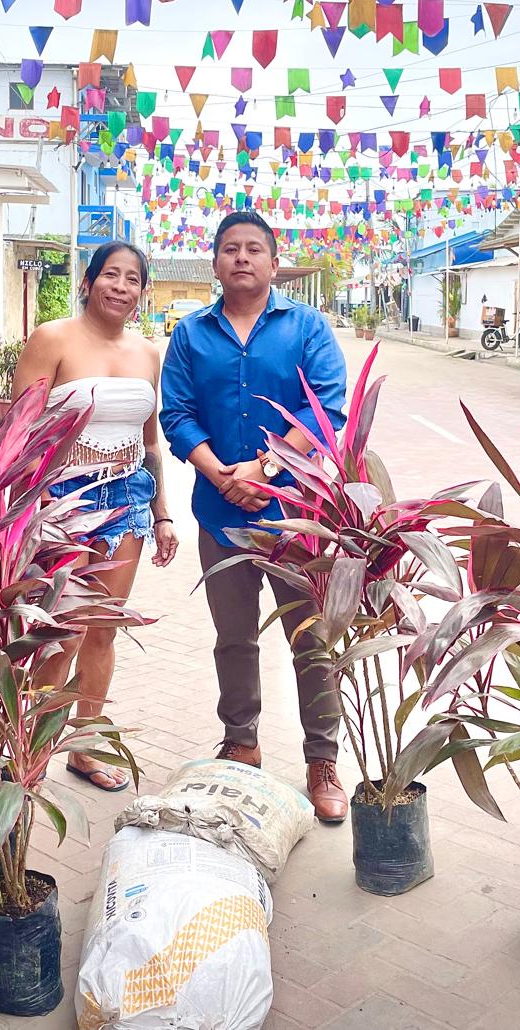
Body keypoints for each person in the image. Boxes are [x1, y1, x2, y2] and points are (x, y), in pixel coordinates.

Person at [160, 211, 350, 823]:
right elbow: (177, 413)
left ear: (273, 261)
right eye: (230, 249)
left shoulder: (308, 328)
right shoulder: (191, 335)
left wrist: (265, 469)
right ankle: (241, 741)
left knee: (310, 638)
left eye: (253, 249)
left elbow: (326, 409)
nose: (241, 257)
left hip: (295, 514)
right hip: (220, 513)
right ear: (215, 262)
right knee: (234, 637)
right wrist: (221, 474)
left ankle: (323, 760)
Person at [12, 240, 177, 792]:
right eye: (111, 275)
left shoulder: (148, 353)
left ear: (142, 292)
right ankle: (30, 751)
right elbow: (20, 432)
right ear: (88, 282)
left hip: (127, 498)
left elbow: (149, 442)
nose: (120, 287)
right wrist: (28, 510)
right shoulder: (52, 338)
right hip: (63, 501)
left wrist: (163, 514)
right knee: (60, 632)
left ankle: (83, 748)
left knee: (102, 631)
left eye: (132, 279)